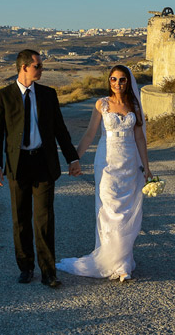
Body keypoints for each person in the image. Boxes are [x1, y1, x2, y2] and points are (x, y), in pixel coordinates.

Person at [0, 49, 82, 288]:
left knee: (44, 219)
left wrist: (72, 159)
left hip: (43, 162)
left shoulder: (48, 95)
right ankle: (26, 266)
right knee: (20, 218)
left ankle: (48, 272)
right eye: (38, 66)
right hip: (18, 165)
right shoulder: (3, 96)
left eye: (41, 66)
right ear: (24, 68)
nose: (42, 70)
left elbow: (60, 130)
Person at [56, 64, 152, 282]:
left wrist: (147, 167)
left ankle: (123, 262)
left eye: (122, 80)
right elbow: (90, 134)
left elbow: (139, 138)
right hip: (107, 162)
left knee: (126, 211)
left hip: (129, 162)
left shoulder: (134, 105)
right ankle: (110, 260)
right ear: (109, 81)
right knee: (109, 209)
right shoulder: (102, 104)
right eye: (113, 79)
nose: (117, 84)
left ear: (128, 82)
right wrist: (75, 159)